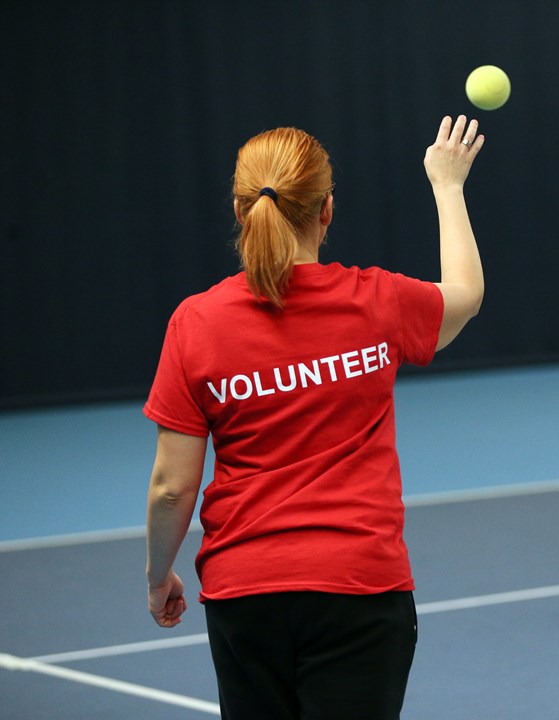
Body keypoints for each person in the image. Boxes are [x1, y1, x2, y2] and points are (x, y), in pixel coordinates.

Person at [144, 115, 485, 718]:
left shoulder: (194, 322)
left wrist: (158, 576)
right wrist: (448, 186)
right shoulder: (376, 302)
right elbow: (465, 292)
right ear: (327, 210)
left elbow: (173, 488)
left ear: (239, 207)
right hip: (361, 588)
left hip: (244, 592)